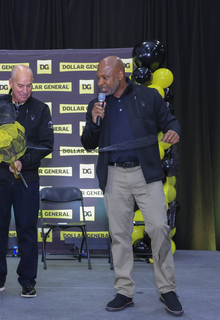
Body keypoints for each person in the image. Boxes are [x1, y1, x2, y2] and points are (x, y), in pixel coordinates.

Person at [81, 56, 183, 316]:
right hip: (114, 176)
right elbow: (88, 143)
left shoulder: (148, 96)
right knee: (119, 235)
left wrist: (174, 131)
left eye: (105, 77)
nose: (100, 82)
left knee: (159, 226)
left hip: (145, 174)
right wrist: (94, 122)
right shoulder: (96, 104)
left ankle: (167, 289)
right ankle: (124, 291)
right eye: (98, 78)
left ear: (120, 74)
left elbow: (170, 122)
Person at [0, 65, 54, 298]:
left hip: (27, 180)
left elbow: (46, 145)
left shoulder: (41, 109)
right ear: (10, 82)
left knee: (27, 231)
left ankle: (27, 280)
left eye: (29, 85)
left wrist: (24, 161)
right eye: (20, 85)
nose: (25, 90)